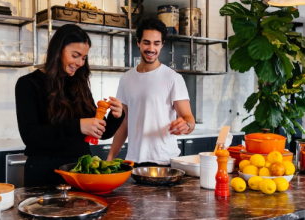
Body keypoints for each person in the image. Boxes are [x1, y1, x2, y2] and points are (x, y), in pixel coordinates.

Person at [15, 24, 125, 187]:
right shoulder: (28, 84)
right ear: (58, 50)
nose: (80, 62)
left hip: (80, 173)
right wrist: (77, 126)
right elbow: (31, 136)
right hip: (44, 175)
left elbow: (99, 133)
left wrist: (116, 116)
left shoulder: (79, 84)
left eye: (84, 57)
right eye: (76, 55)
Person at [107, 18, 195, 167]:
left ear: (162, 44)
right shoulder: (126, 79)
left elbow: (189, 119)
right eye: (146, 42)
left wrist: (186, 126)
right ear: (138, 43)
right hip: (134, 161)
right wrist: (109, 159)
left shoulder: (173, 78)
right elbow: (124, 123)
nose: (151, 48)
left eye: (156, 43)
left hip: (164, 161)